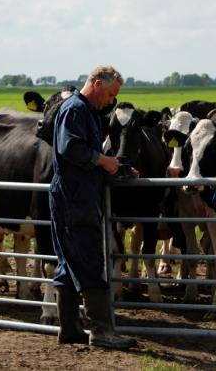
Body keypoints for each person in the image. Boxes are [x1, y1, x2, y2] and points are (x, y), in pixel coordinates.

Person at [48, 65, 137, 349]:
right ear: (97, 85)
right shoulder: (76, 109)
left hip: (71, 193)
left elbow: (80, 154)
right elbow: (70, 148)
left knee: (69, 261)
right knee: (89, 260)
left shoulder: (82, 110)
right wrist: (102, 161)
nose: (111, 101)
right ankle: (101, 331)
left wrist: (117, 167)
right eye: (111, 94)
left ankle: (70, 328)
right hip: (75, 197)